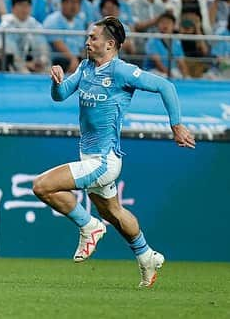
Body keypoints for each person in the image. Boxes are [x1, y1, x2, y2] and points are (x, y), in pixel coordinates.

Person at [32, 16, 195, 288]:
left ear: (109, 44)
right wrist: (56, 82)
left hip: (104, 161)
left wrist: (176, 125)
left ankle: (88, 226)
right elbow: (60, 96)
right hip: (91, 156)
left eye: (93, 38)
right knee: (114, 214)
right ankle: (146, 256)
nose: (87, 42)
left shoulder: (121, 71)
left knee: (42, 186)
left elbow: (166, 86)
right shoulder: (85, 68)